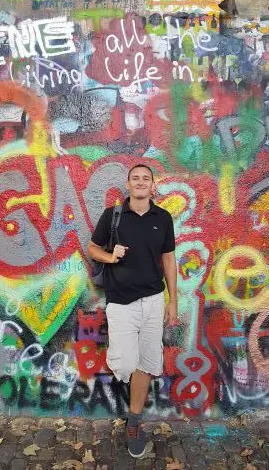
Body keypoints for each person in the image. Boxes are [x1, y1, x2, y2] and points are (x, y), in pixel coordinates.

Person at [87, 164, 177, 458]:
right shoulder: (113, 216)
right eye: (135, 178)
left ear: (153, 186)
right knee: (125, 363)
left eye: (146, 179)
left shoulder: (162, 218)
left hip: (153, 300)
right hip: (120, 301)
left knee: (148, 364)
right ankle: (131, 395)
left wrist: (172, 300)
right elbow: (92, 248)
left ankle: (134, 421)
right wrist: (110, 258)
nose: (140, 182)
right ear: (128, 184)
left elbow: (169, 260)